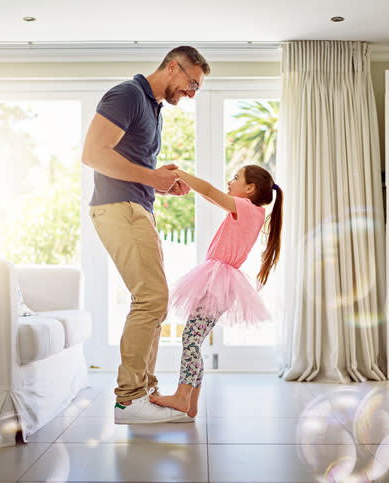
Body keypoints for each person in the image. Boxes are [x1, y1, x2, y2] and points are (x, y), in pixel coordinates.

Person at [81, 46, 211, 424]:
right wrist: (151, 177)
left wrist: (160, 184)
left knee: (156, 300)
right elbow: (92, 153)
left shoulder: (152, 107)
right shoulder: (127, 95)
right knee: (151, 297)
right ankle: (128, 399)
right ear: (173, 67)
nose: (191, 93)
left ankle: (146, 393)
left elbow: (131, 163)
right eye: (191, 83)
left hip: (138, 206)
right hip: (118, 206)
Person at [150, 165, 283, 419]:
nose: (230, 181)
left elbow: (211, 190)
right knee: (194, 341)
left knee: (190, 340)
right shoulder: (254, 212)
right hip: (221, 281)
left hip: (216, 280)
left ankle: (181, 396)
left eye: (236, 178)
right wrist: (191, 187)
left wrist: (180, 173)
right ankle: (190, 404)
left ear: (250, 188)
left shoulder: (245, 208)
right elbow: (210, 195)